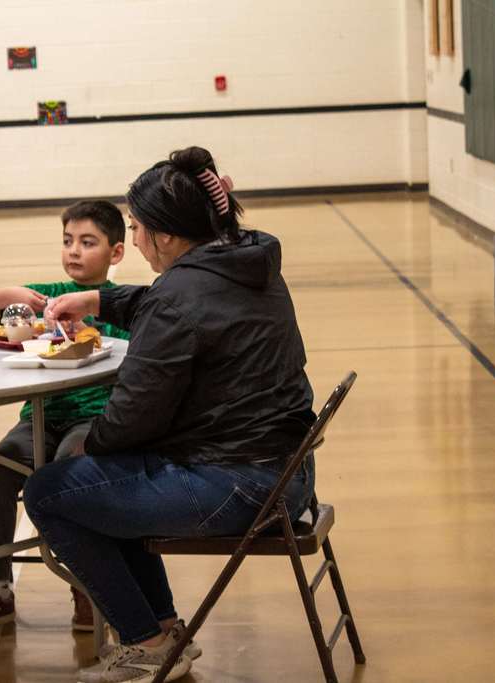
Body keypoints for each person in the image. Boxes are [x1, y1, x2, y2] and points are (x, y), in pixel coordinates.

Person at [24, 146, 318, 682]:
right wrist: (98, 301)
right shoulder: (247, 261)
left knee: (51, 492)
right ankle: (160, 629)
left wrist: (89, 445)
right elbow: (171, 302)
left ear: (164, 234)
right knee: (104, 477)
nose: (134, 239)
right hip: (287, 474)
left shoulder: (180, 295)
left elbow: (133, 416)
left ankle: (148, 641)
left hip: (241, 486)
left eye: (136, 228)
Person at [0, 200, 131, 632]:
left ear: (117, 252)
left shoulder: (122, 305)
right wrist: (17, 296)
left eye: (88, 243)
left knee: (75, 466)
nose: (74, 251)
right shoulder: (45, 298)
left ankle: (86, 586)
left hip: (93, 422)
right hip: (40, 417)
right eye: (68, 241)